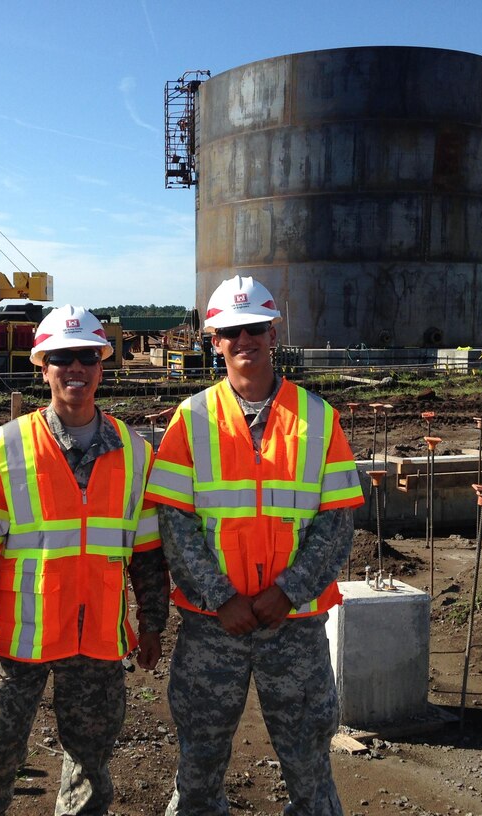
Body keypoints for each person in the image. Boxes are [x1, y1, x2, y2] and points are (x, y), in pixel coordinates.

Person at [145, 276, 365, 816]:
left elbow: (337, 522)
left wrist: (287, 593)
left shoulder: (317, 418)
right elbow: (175, 524)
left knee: (311, 774)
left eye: (255, 329)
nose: (245, 340)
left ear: (273, 333)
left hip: (293, 629)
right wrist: (223, 598)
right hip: (210, 627)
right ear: (214, 341)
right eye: (231, 331)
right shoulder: (190, 420)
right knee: (196, 774)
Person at [0, 304, 169, 816]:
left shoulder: (134, 453)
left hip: (97, 644)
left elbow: (148, 556)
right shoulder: (7, 447)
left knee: (91, 769)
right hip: (17, 642)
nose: (77, 369)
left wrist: (152, 624)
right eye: (63, 357)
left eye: (87, 357)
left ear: (101, 365)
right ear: (41, 365)